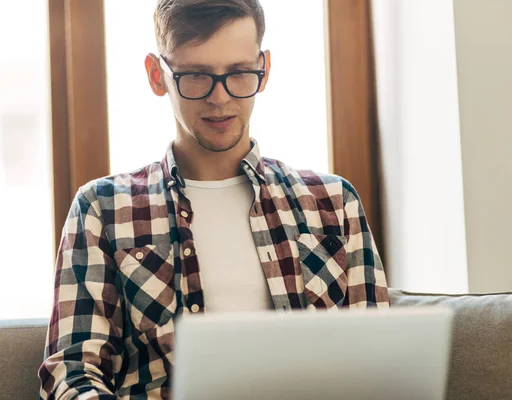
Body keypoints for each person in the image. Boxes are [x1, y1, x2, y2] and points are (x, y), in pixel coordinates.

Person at [38, 0, 389, 398]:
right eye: (196, 76)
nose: (220, 98)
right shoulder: (101, 208)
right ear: (158, 75)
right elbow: (71, 375)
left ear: (264, 69)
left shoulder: (333, 202)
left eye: (239, 74)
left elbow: (377, 365)